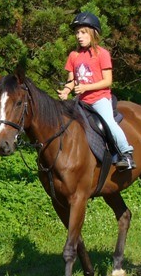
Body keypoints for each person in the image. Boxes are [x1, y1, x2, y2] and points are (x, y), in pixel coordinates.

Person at [56, 12, 135, 170]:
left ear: (93, 33)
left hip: (99, 99)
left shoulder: (102, 54)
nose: (79, 36)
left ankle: (126, 154)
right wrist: (66, 91)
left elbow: (108, 81)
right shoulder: (73, 55)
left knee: (109, 123)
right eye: (77, 32)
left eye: (83, 32)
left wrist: (86, 87)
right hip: (81, 102)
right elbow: (71, 80)